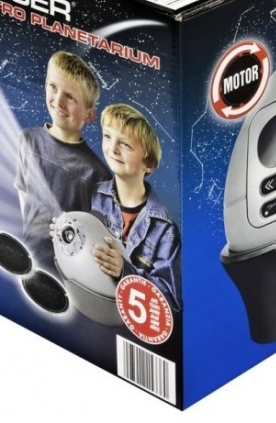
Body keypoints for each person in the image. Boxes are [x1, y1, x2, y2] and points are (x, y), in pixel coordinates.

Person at [15, 51, 110, 275]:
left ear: (89, 115)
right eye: (53, 87)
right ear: (45, 85)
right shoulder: (27, 139)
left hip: (68, 276)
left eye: (70, 97)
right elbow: (23, 190)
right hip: (27, 261)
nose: (58, 101)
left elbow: (98, 235)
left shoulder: (97, 174)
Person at [90, 103, 181, 312]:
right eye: (108, 136)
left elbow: (171, 300)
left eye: (125, 144)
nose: (113, 149)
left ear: (149, 163)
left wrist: (125, 271)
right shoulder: (90, 195)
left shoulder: (165, 231)